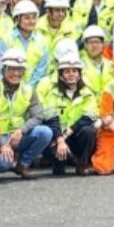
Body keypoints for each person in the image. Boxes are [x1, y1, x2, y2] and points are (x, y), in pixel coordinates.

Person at [0, 49, 48, 179]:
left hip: (17, 135)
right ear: (3, 70)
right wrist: (2, 144)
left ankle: (22, 165)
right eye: (11, 69)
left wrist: (21, 130)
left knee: (45, 132)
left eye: (19, 70)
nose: (15, 74)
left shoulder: (29, 90)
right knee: (3, 165)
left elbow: (38, 115)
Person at [39, 45, 100, 175]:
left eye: (74, 71)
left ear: (79, 75)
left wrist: (68, 132)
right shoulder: (52, 94)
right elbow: (51, 119)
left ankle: (82, 164)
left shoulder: (87, 93)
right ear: (60, 76)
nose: (71, 74)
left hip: (75, 135)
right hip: (58, 138)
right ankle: (59, 163)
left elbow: (88, 117)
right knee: (48, 132)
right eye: (67, 72)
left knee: (89, 131)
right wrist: (60, 139)